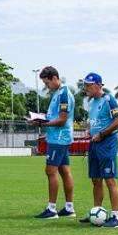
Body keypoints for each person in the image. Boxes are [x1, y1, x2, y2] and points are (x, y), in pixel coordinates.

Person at [80, 72, 118, 228]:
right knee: (96, 180)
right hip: (94, 143)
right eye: (85, 85)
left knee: (110, 179)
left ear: (99, 85)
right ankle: (96, 212)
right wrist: (89, 131)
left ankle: (116, 218)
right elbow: (93, 122)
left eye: (89, 85)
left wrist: (101, 134)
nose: (86, 88)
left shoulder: (109, 99)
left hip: (107, 143)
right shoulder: (91, 102)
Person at [32, 66, 76, 219]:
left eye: (47, 83)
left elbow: (62, 120)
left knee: (50, 171)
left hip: (59, 139)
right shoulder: (58, 93)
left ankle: (51, 209)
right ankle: (69, 208)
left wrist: (43, 124)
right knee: (64, 171)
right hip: (56, 138)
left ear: (54, 78)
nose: (46, 86)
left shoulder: (64, 93)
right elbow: (54, 116)